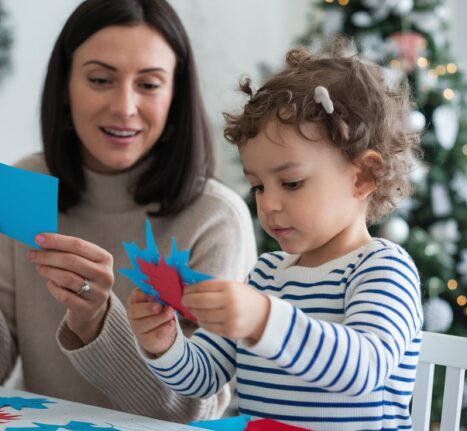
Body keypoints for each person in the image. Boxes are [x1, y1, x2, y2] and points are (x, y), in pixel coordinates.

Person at [0, 0, 256, 423]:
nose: (124, 107)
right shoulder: (24, 185)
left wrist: (95, 321)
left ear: (176, 96)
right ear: (65, 86)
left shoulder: (216, 219)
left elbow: (192, 412)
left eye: (150, 85)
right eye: (100, 79)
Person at [128, 42, 424, 430]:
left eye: (291, 182)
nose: (268, 205)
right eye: (258, 187)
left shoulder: (382, 269)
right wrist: (164, 344)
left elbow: (364, 369)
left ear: (363, 176)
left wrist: (266, 320)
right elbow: (204, 377)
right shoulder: (266, 275)